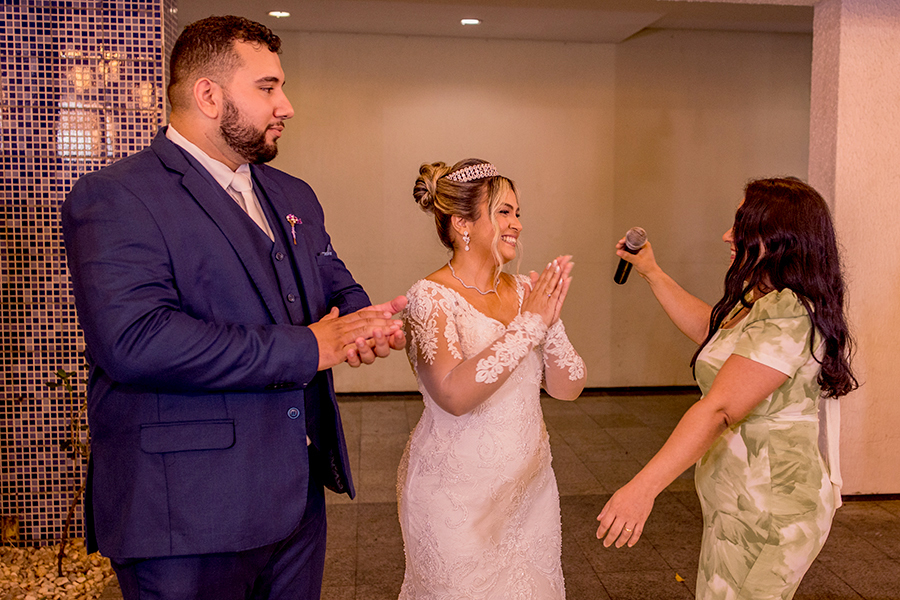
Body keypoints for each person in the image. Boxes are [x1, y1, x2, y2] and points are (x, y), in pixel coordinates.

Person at [61, 15, 406, 600]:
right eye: (268, 88)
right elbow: (136, 341)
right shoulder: (117, 196)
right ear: (208, 94)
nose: (287, 105)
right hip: (186, 516)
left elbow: (330, 278)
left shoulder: (292, 193)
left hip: (296, 501)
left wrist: (358, 321)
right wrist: (312, 346)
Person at [596, 177, 858, 599]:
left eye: (741, 225)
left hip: (772, 510)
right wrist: (652, 272)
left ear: (778, 237)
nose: (727, 235)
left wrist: (643, 488)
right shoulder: (762, 296)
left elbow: (719, 408)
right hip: (738, 505)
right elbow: (713, 333)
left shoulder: (789, 310)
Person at [396, 159, 587, 599]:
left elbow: (568, 387)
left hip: (530, 493)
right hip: (457, 499)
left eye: (518, 213)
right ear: (463, 223)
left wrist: (550, 323)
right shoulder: (430, 297)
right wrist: (529, 327)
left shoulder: (524, 291)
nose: (516, 223)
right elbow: (453, 395)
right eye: (504, 212)